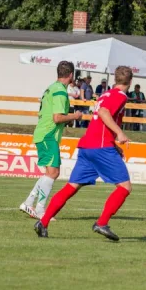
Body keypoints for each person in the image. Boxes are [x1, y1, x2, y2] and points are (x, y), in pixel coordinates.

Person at [33, 66, 134, 241]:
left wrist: (113, 143)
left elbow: (100, 117)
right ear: (130, 82)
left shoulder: (105, 94)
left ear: (115, 79)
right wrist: (119, 133)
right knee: (125, 187)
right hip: (101, 148)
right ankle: (102, 223)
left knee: (72, 187)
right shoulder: (120, 96)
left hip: (88, 146)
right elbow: (103, 113)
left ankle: (43, 221)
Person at [20, 61, 83, 220]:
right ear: (70, 75)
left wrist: (66, 119)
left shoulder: (51, 87)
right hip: (48, 135)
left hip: (43, 133)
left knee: (49, 173)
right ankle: (40, 210)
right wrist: (74, 116)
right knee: (53, 172)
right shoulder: (61, 92)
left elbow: (54, 114)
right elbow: (57, 117)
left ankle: (29, 202)